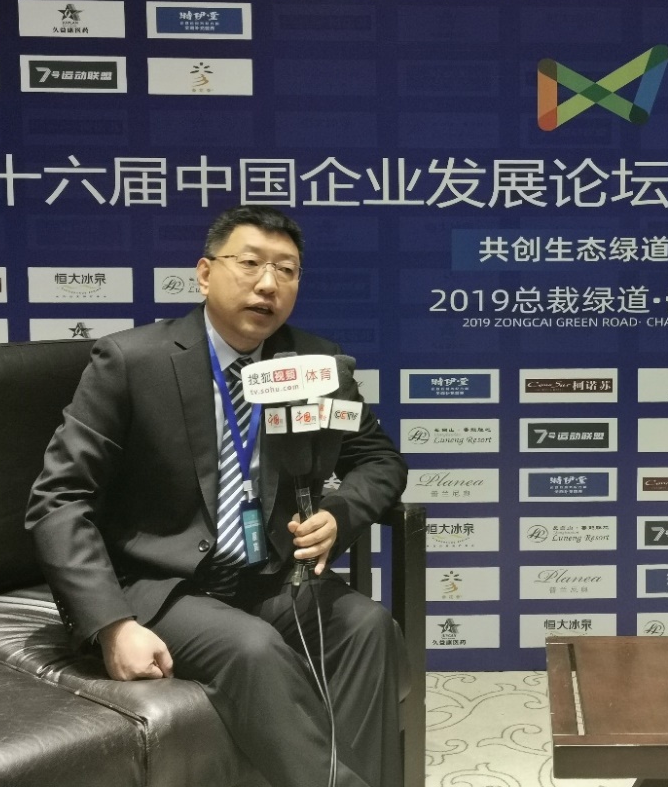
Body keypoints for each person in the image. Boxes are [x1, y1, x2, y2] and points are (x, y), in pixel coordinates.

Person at [25, 205, 408, 787]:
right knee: (252, 648)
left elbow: (380, 461)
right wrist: (112, 624)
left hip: (271, 574)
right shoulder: (132, 362)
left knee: (369, 628)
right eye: (250, 263)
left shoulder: (316, 367)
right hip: (166, 586)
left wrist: (340, 513)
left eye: (286, 270)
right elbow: (59, 498)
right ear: (205, 274)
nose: (268, 284)